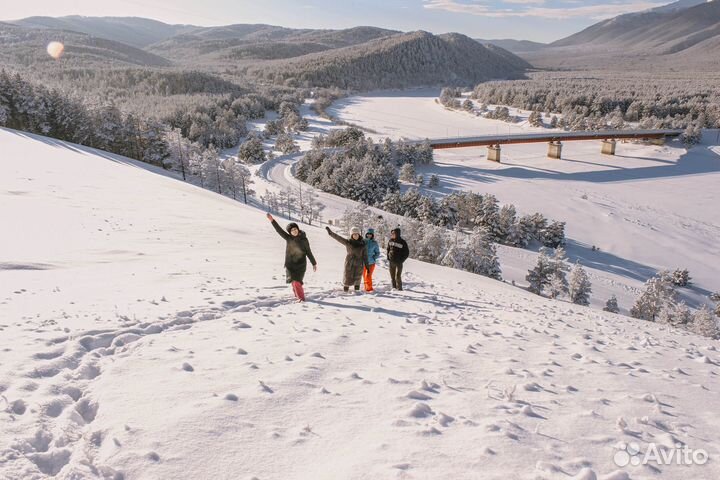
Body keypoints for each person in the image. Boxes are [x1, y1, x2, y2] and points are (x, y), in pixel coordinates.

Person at [267, 213, 317, 302]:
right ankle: (297, 295)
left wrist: (314, 263)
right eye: (292, 230)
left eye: (295, 229)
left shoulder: (304, 240)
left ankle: (301, 298)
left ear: (298, 229)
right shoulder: (288, 238)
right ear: (290, 232)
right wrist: (272, 221)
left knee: (297, 281)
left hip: (301, 265)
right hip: (290, 265)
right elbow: (279, 230)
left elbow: (308, 252)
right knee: (293, 282)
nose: (294, 231)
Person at [326, 225, 369, 292]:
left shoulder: (363, 244)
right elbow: (339, 238)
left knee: (357, 279)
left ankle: (357, 294)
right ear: (351, 235)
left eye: (357, 234)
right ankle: (345, 292)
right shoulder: (348, 242)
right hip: (349, 263)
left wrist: (367, 266)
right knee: (347, 278)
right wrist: (330, 233)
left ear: (359, 235)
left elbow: (365, 256)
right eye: (354, 234)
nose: (355, 236)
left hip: (359, 264)